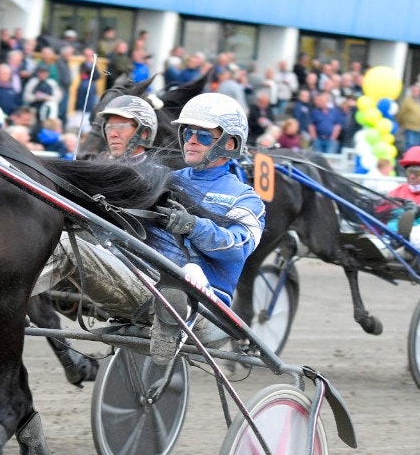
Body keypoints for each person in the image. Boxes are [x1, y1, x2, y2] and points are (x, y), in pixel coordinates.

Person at [33, 93, 264, 368]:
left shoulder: (246, 199)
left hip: (208, 311)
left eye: (203, 136)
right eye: (188, 132)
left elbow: (239, 248)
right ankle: (1, 301)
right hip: (144, 286)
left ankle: (175, 310)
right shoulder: (164, 180)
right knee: (64, 243)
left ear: (230, 143)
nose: (190, 140)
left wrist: (193, 225)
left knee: (188, 276)